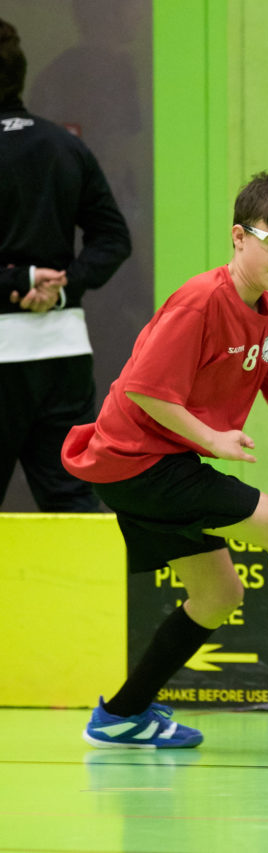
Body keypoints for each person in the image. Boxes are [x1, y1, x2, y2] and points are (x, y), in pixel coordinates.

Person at [62, 172, 268, 748]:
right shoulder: (201, 299)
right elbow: (144, 387)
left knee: (219, 595)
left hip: (150, 467)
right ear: (239, 237)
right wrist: (214, 439)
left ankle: (122, 714)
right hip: (139, 459)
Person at [0, 18, 131, 511]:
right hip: (62, 352)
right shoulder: (66, 146)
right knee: (71, 499)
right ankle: (85, 593)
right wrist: (60, 285)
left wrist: (18, 283)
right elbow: (113, 239)